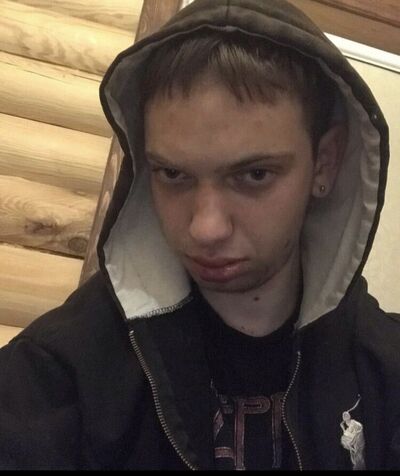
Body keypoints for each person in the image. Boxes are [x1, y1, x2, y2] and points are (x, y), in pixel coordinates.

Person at [0, 0, 399, 470]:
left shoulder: (387, 372)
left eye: (254, 175)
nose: (205, 228)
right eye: (173, 174)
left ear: (325, 164)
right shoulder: (53, 376)